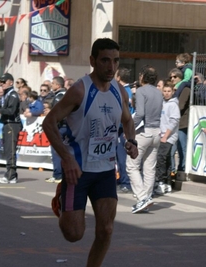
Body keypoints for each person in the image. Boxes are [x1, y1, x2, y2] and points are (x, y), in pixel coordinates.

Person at [42, 38, 137, 267]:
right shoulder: (80, 90)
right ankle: (63, 197)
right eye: (105, 60)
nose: (111, 67)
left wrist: (131, 140)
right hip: (79, 170)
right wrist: (67, 158)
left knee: (106, 229)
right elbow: (49, 122)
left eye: (115, 61)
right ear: (93, 61)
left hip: (105, 170)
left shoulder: (120, 92)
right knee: (74, 234)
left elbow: (127, 120)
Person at [127, 65, 162, 214]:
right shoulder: (158, 92)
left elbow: (139, 113)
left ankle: (142, 198)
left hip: (144, 131)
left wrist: (130, 128)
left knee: (131, 165)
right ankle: (146, 197)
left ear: (143, 77)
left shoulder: (141, 91)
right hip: (156, 131)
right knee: (149, 167)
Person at [0, 73, 22, 184]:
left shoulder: (13, 95)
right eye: (1, 82)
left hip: (12, 124)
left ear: (10, 82)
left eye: (4, 82)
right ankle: (12, 175)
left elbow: (11, 111)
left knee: (10, 150)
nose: (2, 84)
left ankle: (10, 175)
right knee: (7, 150)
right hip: (7, 123)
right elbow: (5, 109)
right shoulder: (7, 94)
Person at [155, 82, 180, 195]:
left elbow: (174, 121)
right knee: (167, 159)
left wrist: (165, 136)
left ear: (173, 92)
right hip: (161, 134)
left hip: (168, 136)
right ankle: (167, 183)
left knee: (161, 158)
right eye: (164, 91)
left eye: (169, 91)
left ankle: (160, 181)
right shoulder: (162, 103)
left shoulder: (173, 105)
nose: (166, 93)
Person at [45, 76, 67, 183]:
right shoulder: (63, 95)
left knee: (56, 151)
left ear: (58, 85)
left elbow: (59, 113)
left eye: (53, 83)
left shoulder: (60, 96)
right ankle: (59, 174)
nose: (51, 85)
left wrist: (50, 114)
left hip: (60, 127)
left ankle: (58, 175)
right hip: (63, 127)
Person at [114, 67, 134, 193]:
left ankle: (125, 182)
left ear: (119, 78)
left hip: (123, 129)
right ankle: (122, 178)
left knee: (122, 157)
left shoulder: (124, 92)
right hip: (123, 128)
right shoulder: (128, 91)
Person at [169, 68, 190, 173]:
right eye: (171, 77)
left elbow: (180, 106)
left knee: (182, 148)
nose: (172, 79)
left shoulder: (185, 88)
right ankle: (172, 171)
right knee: (171, 150)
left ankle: (182, 170)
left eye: (175, 77)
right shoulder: (174, 89)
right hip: (173, 123)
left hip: (182, 123)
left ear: (180, 77)